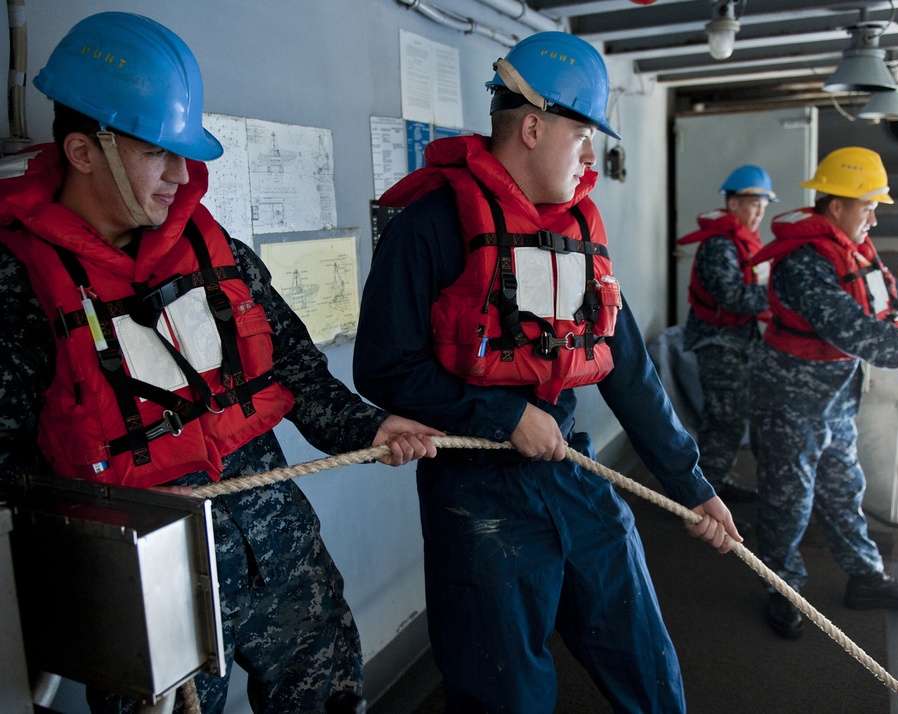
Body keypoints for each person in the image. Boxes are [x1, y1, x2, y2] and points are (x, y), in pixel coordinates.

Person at [0, 12, 440, 713]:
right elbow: (9, 474)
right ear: (85, 152)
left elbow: (296, 370)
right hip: (147, 575)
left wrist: (371, 427)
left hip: (277, 542)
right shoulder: (16, 285)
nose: (183, 175)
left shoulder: (219, 251)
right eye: (158, 153)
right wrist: (120, 512)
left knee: (328, 695)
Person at [353, 31, 741, 713]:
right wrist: (503, 416)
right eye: (582, 134)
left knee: (646, 660)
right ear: (532, 127)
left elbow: (629, 373)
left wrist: (690, 486)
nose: (592, 156)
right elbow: (384, 368)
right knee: (505, 690)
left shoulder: (578, 238)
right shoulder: (429, 227)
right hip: (474, 492)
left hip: (572, 470)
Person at [748, 146, 898, 640]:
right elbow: (857, 332)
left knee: (843, 488)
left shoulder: (854, 251)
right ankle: (781, 587)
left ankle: (866, 578)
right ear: (837, 207)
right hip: (789, 400)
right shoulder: (804, 266)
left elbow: (892, 296)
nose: (873, 217)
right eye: (867, 206)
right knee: (789, 501)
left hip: (833, 400)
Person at [678, 165, 777, 502]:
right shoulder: (721, 245)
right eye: (754, 204)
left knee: (724, 420)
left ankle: (712, 484)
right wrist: (784, 299)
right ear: (733, 204)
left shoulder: (745, 242)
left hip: (738, 343)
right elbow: (732, 297)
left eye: (764, 205)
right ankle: (701, 500)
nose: (760, 212)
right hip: (720, 345)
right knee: (725, 423)